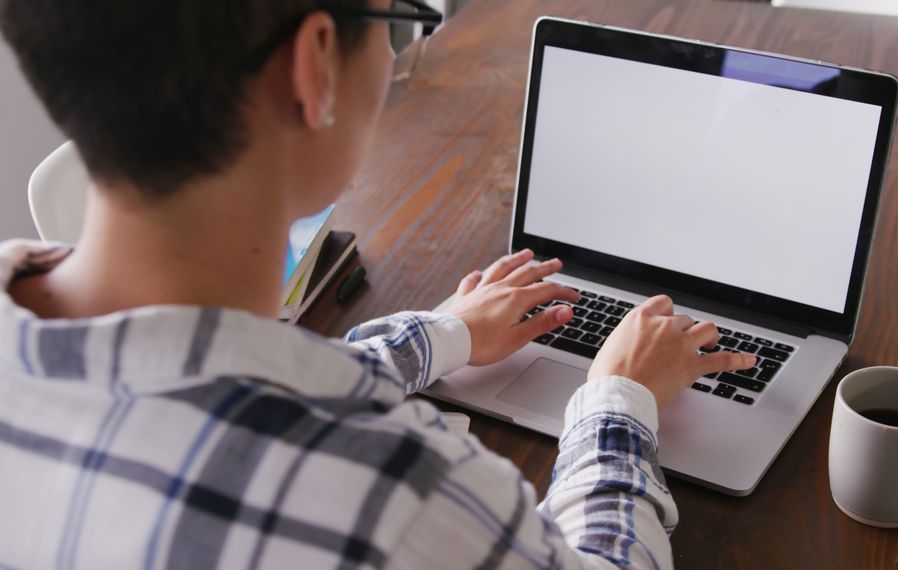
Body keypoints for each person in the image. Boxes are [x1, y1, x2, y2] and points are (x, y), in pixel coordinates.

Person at [0, 0, 755, 567]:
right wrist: (619, 399)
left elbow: (201, 378)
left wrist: (443, 333)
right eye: (395, 21)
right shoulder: (396, 497)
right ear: (315, 66)